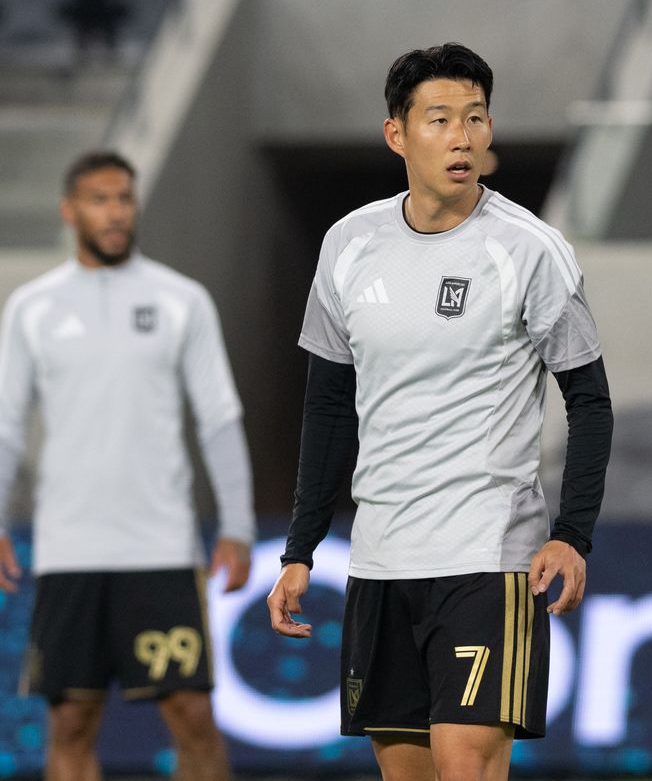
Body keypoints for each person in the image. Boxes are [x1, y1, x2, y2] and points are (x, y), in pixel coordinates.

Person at [267, 43, 613, 781]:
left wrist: (572, 534)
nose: (462, 137)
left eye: (476, 118)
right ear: (397, 134)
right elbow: (327, 408)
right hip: (381, 560)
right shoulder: (348, 245)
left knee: (466, 765)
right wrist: (300, 549)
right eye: (441, 119)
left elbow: (589, 401)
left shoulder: (531, 250)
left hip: (487, 560)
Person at [0, 151, 255, 781]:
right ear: (70, 211)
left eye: (124, 199)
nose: (115, 213)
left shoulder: (182, 300)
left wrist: (238, 524)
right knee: (69, 721)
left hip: (160, 548)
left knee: (193, 715)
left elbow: (219, 417)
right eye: (99, 200)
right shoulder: (32, 307)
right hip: (69, 551)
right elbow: (6, 426)